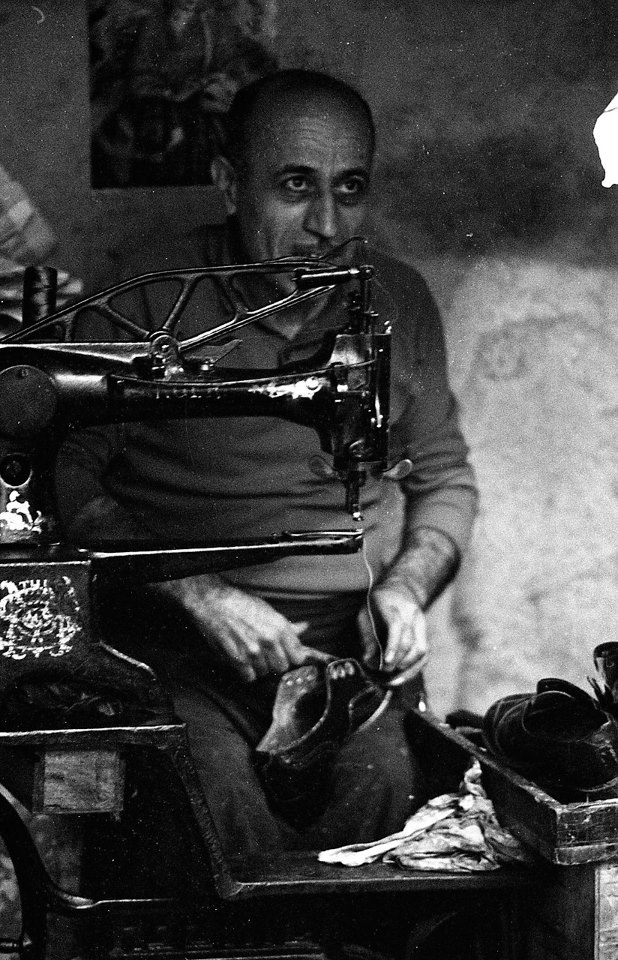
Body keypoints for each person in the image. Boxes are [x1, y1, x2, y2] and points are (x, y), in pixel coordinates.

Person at [55, 70, 477, 858]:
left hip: (345, 654)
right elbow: (66, 476)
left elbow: (444, 479)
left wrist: (406, 588)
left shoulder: (397, 301)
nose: (327, 225)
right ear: (227, 184)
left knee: (386, 804)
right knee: (214, 812)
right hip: (181, 652)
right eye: (294, 186)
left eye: (350, 188)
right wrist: (199, 593)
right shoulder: (150, 305)